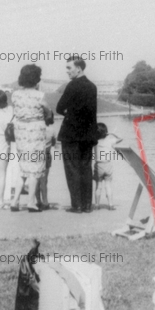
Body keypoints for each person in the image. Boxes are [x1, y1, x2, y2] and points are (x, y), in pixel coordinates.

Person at [57, 57, 98, 214]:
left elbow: (60, 107)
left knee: (72, 169)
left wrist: (70, 113)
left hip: (71, 135)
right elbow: (91, 113)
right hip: (87, 135)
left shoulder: (72, 85)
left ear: (78, 68)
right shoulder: (92, 87)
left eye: (69, 68)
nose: (67, 71)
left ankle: (77, 205)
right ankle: (87, 205)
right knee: (85, 169)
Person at [10, 64, 49, 212]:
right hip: (35, 132)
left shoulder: (15, 95)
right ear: (36, 79)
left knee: (23, 167)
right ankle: (31, 202)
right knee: (34, 168)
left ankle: (15, 201)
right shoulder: (40, 95)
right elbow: (47, 110)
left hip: (20, 131)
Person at [93, 123, 122, 210]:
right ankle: (110, 204)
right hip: (107, 164)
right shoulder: (110, 140)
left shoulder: (94, 142)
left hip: (98, 165)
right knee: (108, 185)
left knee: (98, 185)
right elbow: (121, 138)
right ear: (106, 132)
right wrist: (112, 134)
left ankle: (97, 205)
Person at [35, 108, 56, 210]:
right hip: (47, 154)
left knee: (36, 179)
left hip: (36, 154)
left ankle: (38, 200)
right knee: (44, 180)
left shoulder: (36, 128)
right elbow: (54, 143)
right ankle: (45, 201)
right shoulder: (51, 129)